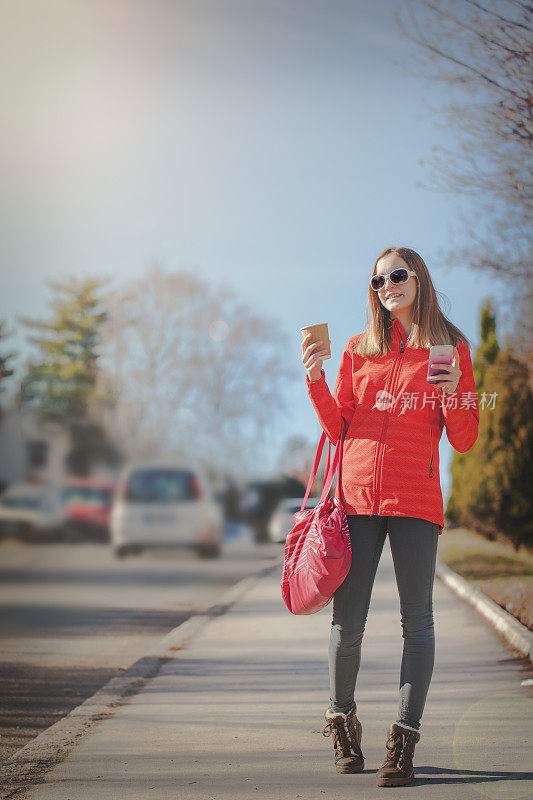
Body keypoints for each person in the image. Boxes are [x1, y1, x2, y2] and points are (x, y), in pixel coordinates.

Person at [301, 246, 479, 787]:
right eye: (378, 280)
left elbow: (465, 439)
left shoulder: (448, 348)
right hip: (356, 499)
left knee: (417, 624)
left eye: (397, 276)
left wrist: (455, 395)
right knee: (347, 622)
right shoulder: (359, 349)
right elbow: (340, 428)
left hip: (415, 503)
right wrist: (315, 379)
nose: (387, 286)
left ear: (418, 279)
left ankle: (402, 740)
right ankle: (341, 722)